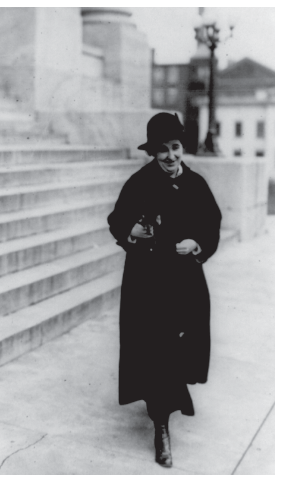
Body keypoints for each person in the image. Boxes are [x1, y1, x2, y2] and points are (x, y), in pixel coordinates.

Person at [107, 113, 222, 468]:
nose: (170, 157)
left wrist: (197, 243)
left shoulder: (197, 184)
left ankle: (168, 400)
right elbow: (117, 220)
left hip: (184, 280)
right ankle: (161, 426)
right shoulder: (139, 182)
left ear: (182, 147)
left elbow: (212, 222)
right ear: (152, 153)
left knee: (181, 343)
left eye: (174, 148)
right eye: (162, 150)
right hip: (149, 280)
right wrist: (132, 233)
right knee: (155, 346)